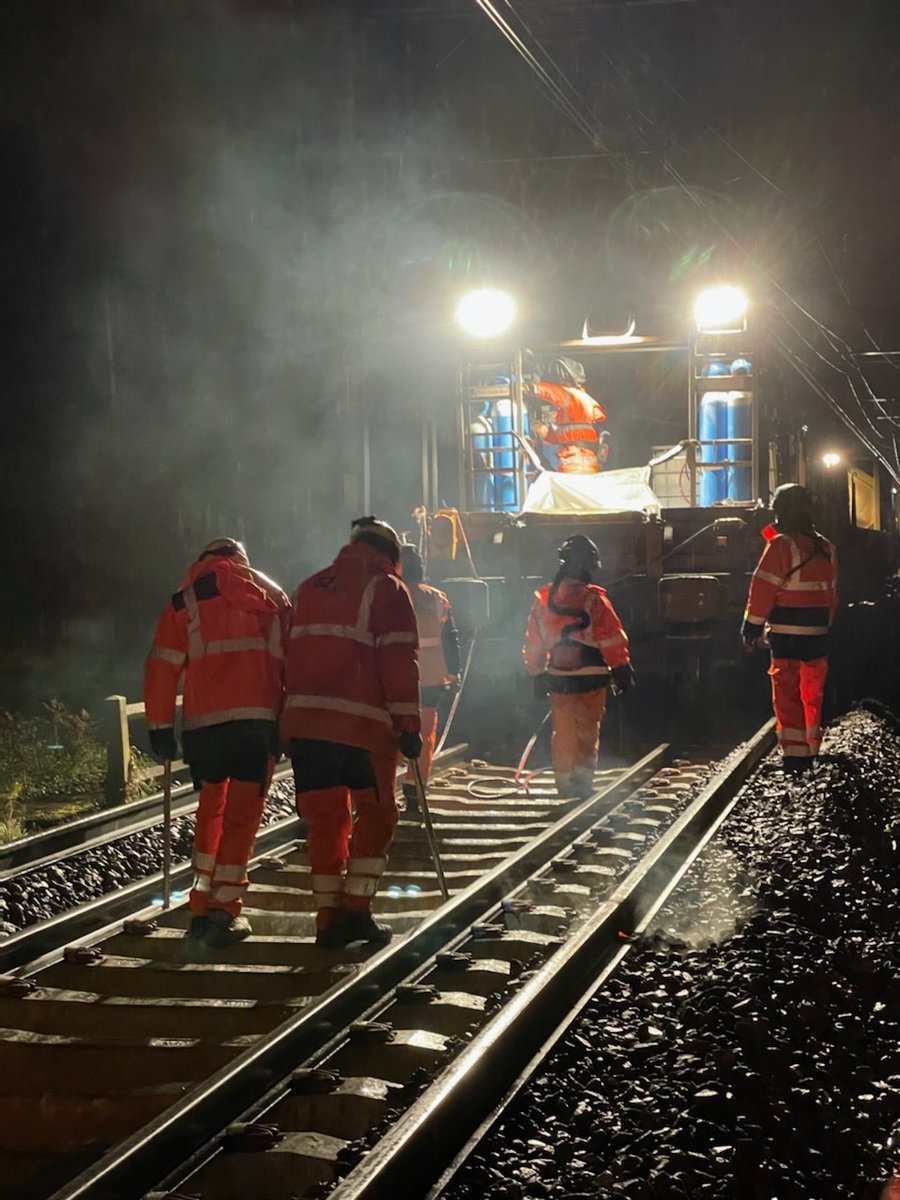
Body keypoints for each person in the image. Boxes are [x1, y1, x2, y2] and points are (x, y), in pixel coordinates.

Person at [281, 517, 422, 949]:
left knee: (325, 820)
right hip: (362, 728)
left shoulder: (308, 587)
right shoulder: (386, 588)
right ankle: (357, 910)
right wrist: (408, 725)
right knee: (377, 813)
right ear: (391, 554)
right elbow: (398, 661)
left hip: (307, 728)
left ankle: (327, 918)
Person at [144, 538, 290, 948]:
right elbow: (289, 661)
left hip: (204, 728)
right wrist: (291, 720)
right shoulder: (272, 595)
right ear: (243, 561)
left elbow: (162, 666)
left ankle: (200, 903)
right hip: (257, 723)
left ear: (204, 562)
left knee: (211, 809)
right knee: (242, 816)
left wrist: (159, 728)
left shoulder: (184, 600)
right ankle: (225, 908)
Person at [523, 535, 633, 800]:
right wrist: (622, 669)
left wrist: (536, 673)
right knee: (586, 731)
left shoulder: (545, 600)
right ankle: (582, 784)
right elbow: (612, 637)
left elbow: (534, 641)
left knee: (563, 732)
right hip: (592, 677)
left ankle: (564, 784)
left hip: (559, 677)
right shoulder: (595, 601)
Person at [742, 483, 838, 775]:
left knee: (787, 692)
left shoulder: (782, 546)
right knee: (811, 693)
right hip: (818, 635)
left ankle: (795, 758)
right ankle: (811, 749)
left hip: (786, 634)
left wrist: (751, 628)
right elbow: (832, 595)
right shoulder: (826, 547)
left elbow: (762, 590)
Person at [399, 543, 461, 815]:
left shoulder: (388, 594)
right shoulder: (436, 598)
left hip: (395, 679)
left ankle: (382, 796)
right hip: (431, 678)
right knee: (424, 735)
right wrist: (454, 671)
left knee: (392, 734)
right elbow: (450, 638)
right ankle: (415, 792)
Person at [527, 357, 610, 474]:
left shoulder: (577, 398)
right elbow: (557, 436)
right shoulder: (571, 411)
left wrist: (533, 388)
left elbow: (557, 393)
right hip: (576, 459)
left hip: (579, 463)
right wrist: (537, 428)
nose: (560, 386)